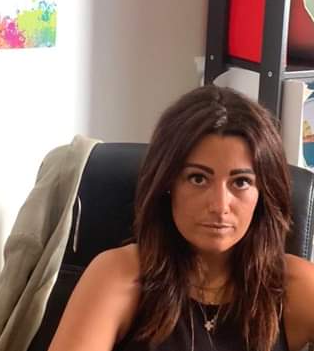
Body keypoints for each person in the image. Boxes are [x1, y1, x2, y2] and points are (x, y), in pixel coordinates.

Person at [47, 85, 314, 351]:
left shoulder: (296, 286)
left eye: (241, 182)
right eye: (198, 179)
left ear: (263, 193)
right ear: (168, 184)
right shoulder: (118, 275)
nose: (220, 205)